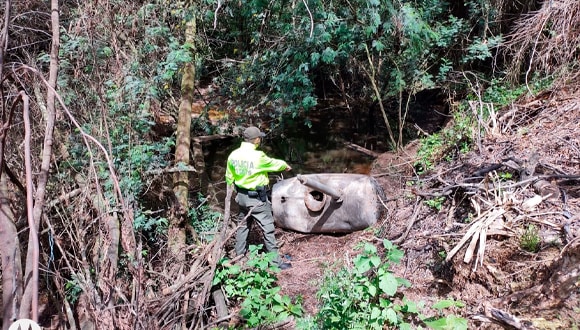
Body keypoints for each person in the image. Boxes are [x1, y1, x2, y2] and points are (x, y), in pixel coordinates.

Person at [225, 126, 292, 270]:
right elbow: (273, 164)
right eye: (259, 138)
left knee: (243, 226)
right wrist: (285, 165)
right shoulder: (258, 156)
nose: (260, 140)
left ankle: (239, 255)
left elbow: (229, 177)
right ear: (256, 140)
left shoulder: (233, 155)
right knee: (268, 228)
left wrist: (236, 193)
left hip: (241, 197)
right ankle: (275, 263)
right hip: (256, 199)